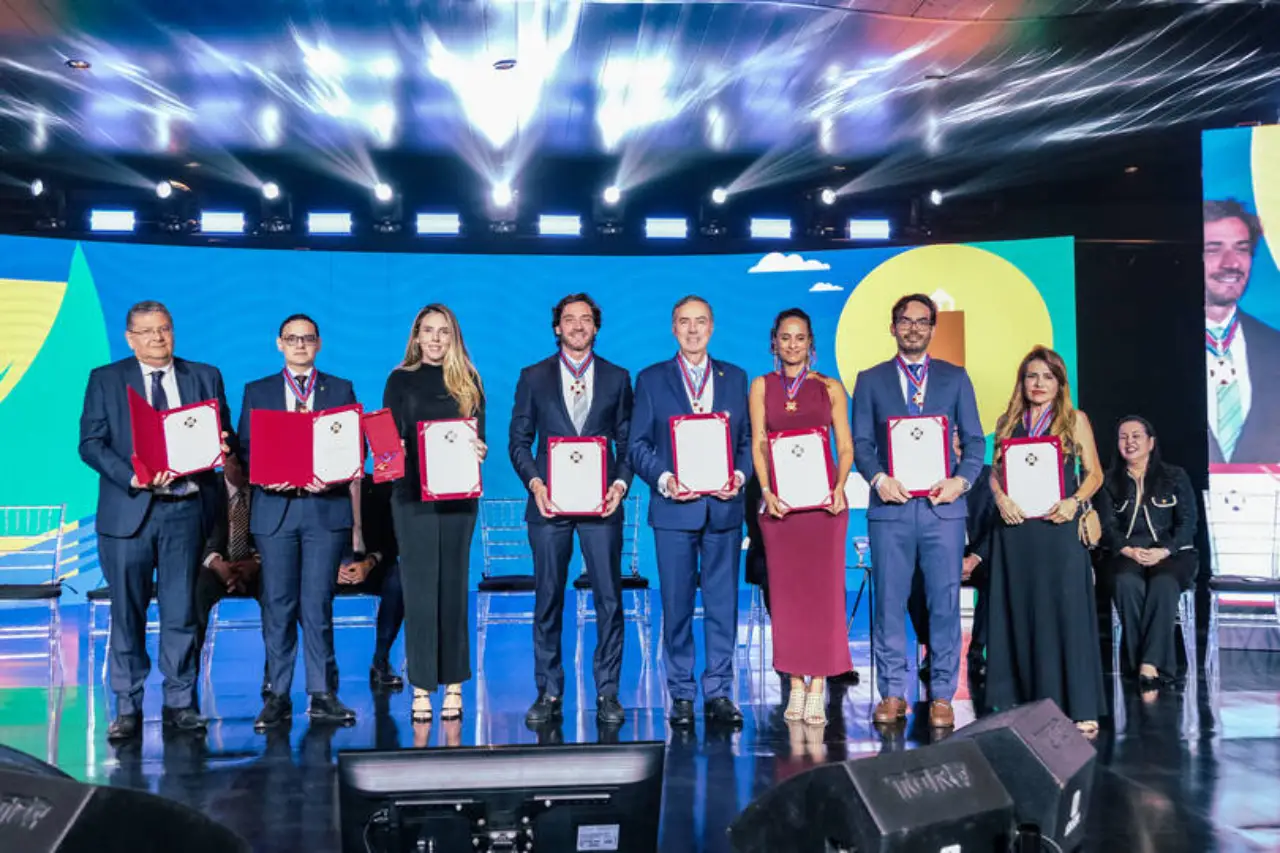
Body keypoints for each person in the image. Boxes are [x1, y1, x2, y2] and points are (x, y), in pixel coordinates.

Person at [78, 300, 235, 740]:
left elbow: (224, 435)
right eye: (147, 332)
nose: (157, 338)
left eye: (164, 329)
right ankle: (127, 707)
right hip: (128, 514)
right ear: (130, 338)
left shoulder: (204, 376)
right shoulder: (106, 379)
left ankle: (180, 702)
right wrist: (132, 476)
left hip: (185, 511)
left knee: (181, 611)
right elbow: (90, 443)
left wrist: (223, 444)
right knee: (127, 614)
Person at [850, 294, 984, 730]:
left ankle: (942, 694)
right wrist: (878, 479)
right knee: (889, 602)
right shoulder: (870, 380)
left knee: (944, 603)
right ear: (893, 327)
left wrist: (960, 482)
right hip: (891, 508)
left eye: (922, 321)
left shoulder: (955, 377)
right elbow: (861, 444)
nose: (913, 328)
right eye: (905, 321)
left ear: (932, 328)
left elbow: (975, 442)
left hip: (942, 509)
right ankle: (892, 693)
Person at [509, 293, 633, 728]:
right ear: (557, 327)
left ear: (595, 327)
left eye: (585, 319)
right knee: (548, 598)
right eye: (569, 319)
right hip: (549, 505)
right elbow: (518, 442)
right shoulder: (533, 376)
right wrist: (536, 483)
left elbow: (627, 441)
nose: (577, 325)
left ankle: (608, 692)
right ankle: (548, 691)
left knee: (609, 600)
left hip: (602, 504)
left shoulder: (618, 377)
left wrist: (620, 484)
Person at [629, 295, 752, 728]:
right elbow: (637, 446)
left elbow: (747, 442)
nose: (693, 329)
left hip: (723, 510)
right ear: (673, 328)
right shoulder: (651, 379)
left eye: (701, 322)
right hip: (674, 512)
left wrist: (739, 475)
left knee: (723, 606)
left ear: (712, 327)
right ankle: (681, 693)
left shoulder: (735, 378)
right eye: (685, 322)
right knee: (677, 606)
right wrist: (665, 480)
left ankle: (719, 692)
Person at [239, 313, 360, 730]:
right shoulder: (258, 391)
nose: (300, 345)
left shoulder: (340, 389)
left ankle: (323, 693)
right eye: (292, 339)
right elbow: (246, 449)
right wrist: (264, 473)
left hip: (324, 509)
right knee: (278, 604)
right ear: (279, 344)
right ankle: (277, 695)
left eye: (307, 338)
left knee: (317, 604)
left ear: (319, 343)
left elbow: (354, 446)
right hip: (276, 510)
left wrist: (334, 474)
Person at [985, 346, 1106, 735]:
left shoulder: (1074, 419)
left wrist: (1075, 502)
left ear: (1059, 383)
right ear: (1022, 381)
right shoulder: (1008, 421)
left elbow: (1095, 474)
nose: (1038, 384)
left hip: (1059, 528)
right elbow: (994, 472)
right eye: (1032, 376)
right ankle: (1023, 705)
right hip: (1016, 531)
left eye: (1047, 377)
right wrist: (1000, 498)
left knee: (1067, 615)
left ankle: (1080, 705)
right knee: (1019, 614)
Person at [749, 308, 853, 727]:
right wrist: (766, 491)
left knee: (824, 597)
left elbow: (844, 446)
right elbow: (759, 443)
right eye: (785, 337)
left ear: (811, 343)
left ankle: (819, 684)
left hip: (825, 507)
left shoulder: (829, 387)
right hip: (781, 508)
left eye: (800, 338)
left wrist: (840, 486)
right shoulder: (762, 386)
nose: (792, 345)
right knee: (787, 597)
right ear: (774, 342)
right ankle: (795, 681)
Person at [384, 303, 487, 723]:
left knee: (453, 589)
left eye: (444, 331)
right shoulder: (399, 379)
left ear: (454, 337)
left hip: (459, 499)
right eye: (428, 331)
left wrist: (479, 450)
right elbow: (387, 444)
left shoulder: (469, 381)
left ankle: (455, 684)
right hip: (412, 499)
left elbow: (479, 439)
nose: (435, 339)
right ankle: (422, 686)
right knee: (420, 593)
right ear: (416, 336)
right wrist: (394, 451)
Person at [1095, 416, 1199, 688]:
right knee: (1126, 583)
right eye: (1123, 437)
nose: (1129, 442)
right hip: (1126, 554)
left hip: (1171, 554)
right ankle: (1145, 665)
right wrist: (1127, 550)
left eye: (1136, 436)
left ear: (1151, 442)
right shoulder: (1107, 481)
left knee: (1163, 583)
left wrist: (1165, 550)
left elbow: (1188, 523)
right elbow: (1106, 526)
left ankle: (1149, 664)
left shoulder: (1174, 477)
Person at [908, 430, 996, 680]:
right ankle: (932, 650)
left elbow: (996, 526)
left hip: (977, 554)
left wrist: (975, 558)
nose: (957, 451)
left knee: (998, 574)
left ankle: (977, 651)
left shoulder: (988, 477)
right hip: (937, 552)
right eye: (952, 445)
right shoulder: (927, 477)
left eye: (961, 444)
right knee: (915, 577)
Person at [1204, 199, 1280, 464]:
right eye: (1214, 249)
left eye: (1242, 249)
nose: (1231, 263)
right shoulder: (1152, 349)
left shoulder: (1275, 348)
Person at [193, 453, 264, 693]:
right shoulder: (206, 488)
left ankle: (274, 682)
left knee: (278, 591)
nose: (243, 469)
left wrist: (255, 563)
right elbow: (192, 535)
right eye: (237, 463)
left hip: (255, 567)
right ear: (225, 462)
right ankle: (187, 678)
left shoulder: (264, 488)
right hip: (213, 566)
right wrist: (216, 563)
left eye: (248, 462)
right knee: (196, 591)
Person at [336, 477, 406, 692]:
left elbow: (393, 543)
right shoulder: (324, 488)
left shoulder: (382, 488)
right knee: (307, 582)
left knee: (400, 578)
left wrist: (369, 563)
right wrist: (329, 567)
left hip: (371, 564)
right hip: (329, 566)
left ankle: (381, 660)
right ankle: (323, 666)